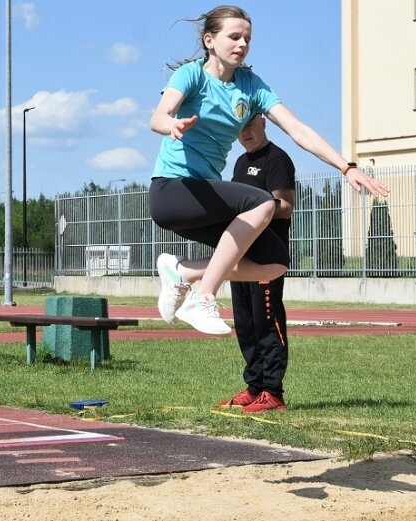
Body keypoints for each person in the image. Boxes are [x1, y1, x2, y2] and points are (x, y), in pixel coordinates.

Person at [149, 5, 388, 337]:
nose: (242, 44)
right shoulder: (191, 75)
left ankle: (183, 271)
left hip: (206, 196)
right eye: (234, 36)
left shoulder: (250, 86)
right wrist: (171, 125)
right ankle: (202, 297)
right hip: (174, 191)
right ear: (209, 40)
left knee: (274, 262)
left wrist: (345, 167)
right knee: (262, 202)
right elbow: (158, 116)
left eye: (247, 38)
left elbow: (297, 129)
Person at [221, 113, 294, 413]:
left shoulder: (277, 159)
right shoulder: (240, 163)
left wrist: (258, 208)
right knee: (246, 323)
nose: (245, 132)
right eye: (240, 127)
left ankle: (273, 392)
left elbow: (286, 207)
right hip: (241, 255)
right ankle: (254, 387)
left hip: (266, 257)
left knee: (267, 321)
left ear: (263, 122)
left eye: (250, 124)